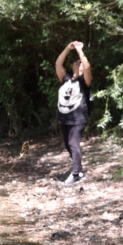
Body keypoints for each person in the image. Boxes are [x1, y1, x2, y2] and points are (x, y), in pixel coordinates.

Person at [54, 40, 92, 185]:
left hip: (78, 118)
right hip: (64, 117)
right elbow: (58, 64)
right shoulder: (66, 78)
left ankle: (76, 173)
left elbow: (87, 67)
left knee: (73, 143)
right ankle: (79, 170)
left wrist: (80, 51)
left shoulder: (84, 81)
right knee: (67, 145)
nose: (77, 63)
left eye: (79, 63)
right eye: (75, 62)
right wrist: (68, 48)